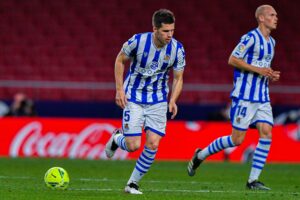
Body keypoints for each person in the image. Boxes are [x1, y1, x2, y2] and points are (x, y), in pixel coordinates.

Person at [187, 5, 280, 190]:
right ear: (261, 18)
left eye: (276, 15)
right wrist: (259, 70)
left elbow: (262, 68)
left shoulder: (272, 43)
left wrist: (269, 74)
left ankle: (252, 181)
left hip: (262, 96)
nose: (276, 18)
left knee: (267, 133)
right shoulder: (250, 38)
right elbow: (232, 59)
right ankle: (201, 155)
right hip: (244, 96)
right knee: (237, 139)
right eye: (272, 15)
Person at [105, 9, 185, 194]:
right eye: (165, 31)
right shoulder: (138, 41)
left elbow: (179, 78)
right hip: (134, 96)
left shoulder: (177, 49)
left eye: (172, 30)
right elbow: (120, 60)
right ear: (155, 29)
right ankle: (117, 138)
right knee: (133, 146)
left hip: (158, 100)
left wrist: (172, 100)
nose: (169, 35)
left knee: (153, 143)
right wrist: (119, 89)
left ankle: (132, 184)